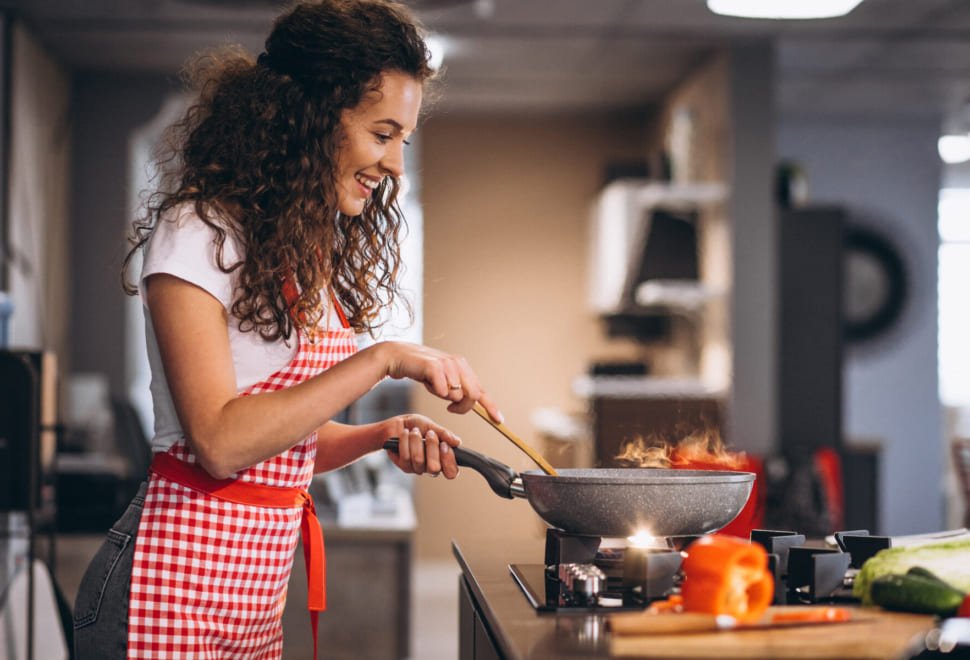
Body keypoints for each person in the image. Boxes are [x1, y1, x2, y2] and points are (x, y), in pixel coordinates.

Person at [72, 1, 502, 657]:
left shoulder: (298, 250)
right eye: (381, 134)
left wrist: (381, 434)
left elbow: (283, 442)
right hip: (166, 592)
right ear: (311, 118)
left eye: (403, 141)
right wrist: (383, 357)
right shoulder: (200, 233)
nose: (395, 167)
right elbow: (219, 442)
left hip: (251, 603)